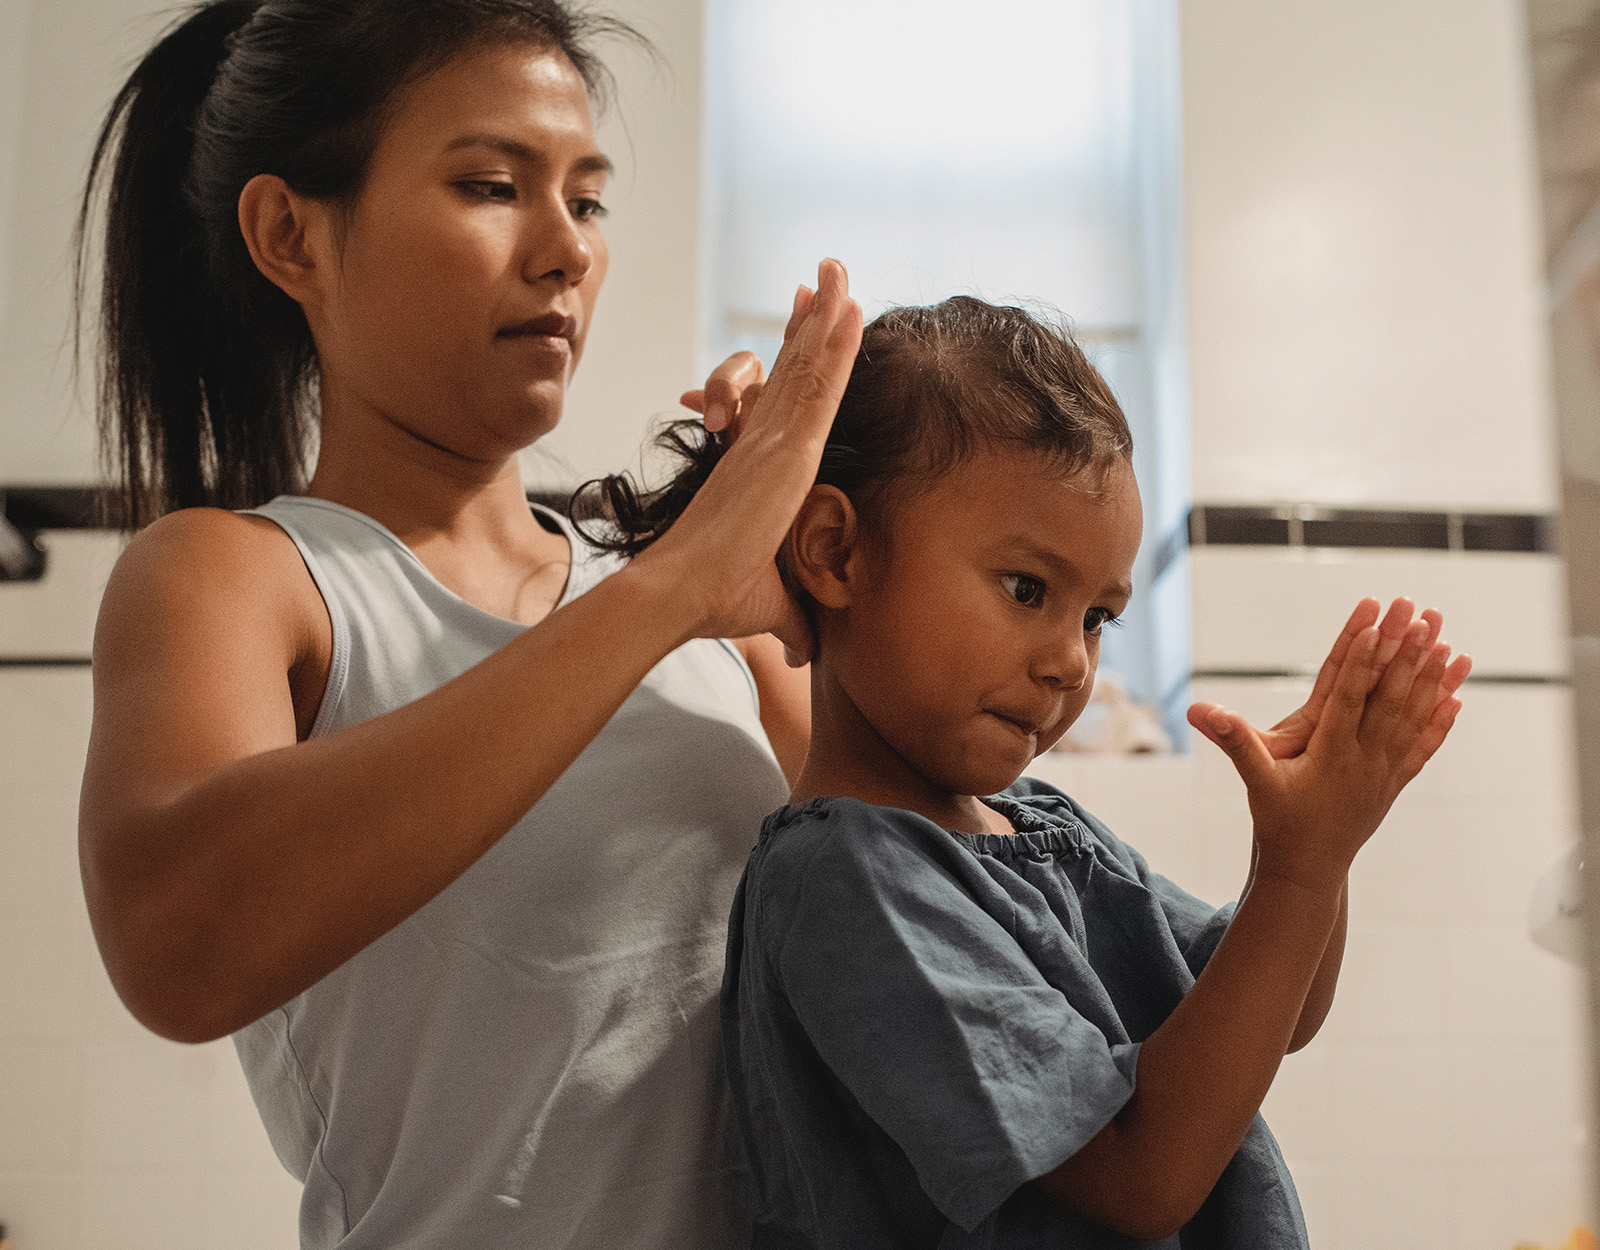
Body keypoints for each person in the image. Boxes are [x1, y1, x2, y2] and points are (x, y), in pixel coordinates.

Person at [73, 1, 864, 1246]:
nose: (565, 251)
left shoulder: (706, 593)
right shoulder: (243, 576)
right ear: (292, 234)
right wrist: (675, 586)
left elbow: (926, 929)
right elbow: (177, 945)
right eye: (493, 185)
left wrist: (849, 564)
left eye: (589, 200)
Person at [588, 297, 1472, 1247]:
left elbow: (1274, 1012)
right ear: (835, 550)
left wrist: (1313, 849)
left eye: (1098, 616)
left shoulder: (1042, 826)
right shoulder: (847, 879)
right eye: (1027, 590)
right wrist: (1300, 868)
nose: (1071, 661)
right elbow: (1142, 1176)